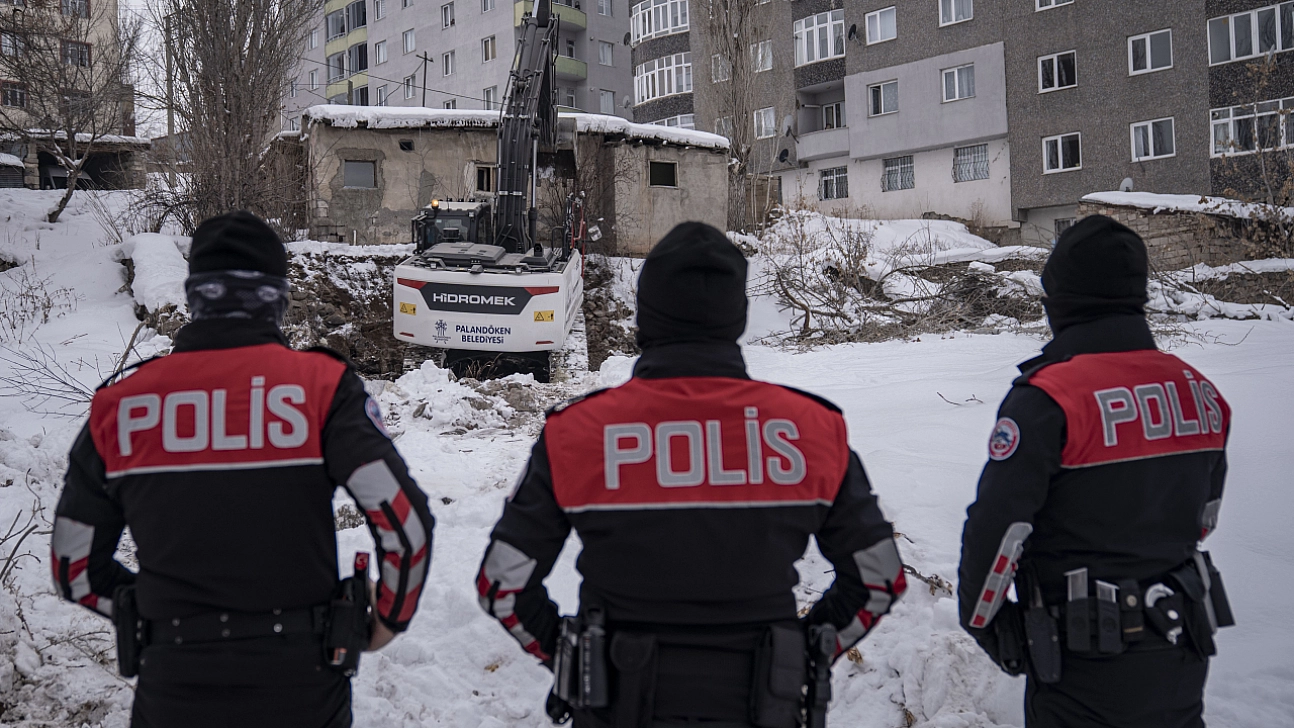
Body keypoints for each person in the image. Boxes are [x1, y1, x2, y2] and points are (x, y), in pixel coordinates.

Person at [476, 222, 906, 728]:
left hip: (619, 707)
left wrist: (574, 662)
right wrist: (804, 655)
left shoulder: (579, 433)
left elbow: (502, 584)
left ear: (646, 314)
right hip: (764, 707)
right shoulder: (812, 430)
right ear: (737, 316)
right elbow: (878, 578)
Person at [51, 211, 436, 728]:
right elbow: (406, 526)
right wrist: (387, 618)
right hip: (301, 688)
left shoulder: (120, 407)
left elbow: (74, 567)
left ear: (195, 298)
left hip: (173, 687)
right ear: (277, 297)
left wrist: (147, 611)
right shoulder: (321, 389)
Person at [957, 216, 1233, 728]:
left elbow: (999, 530)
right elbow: (1203, 519)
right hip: (1182, 651)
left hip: (1082, 664)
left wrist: (985, 623)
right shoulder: (1201, 392)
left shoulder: (1048, 399)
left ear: (1061, 299)